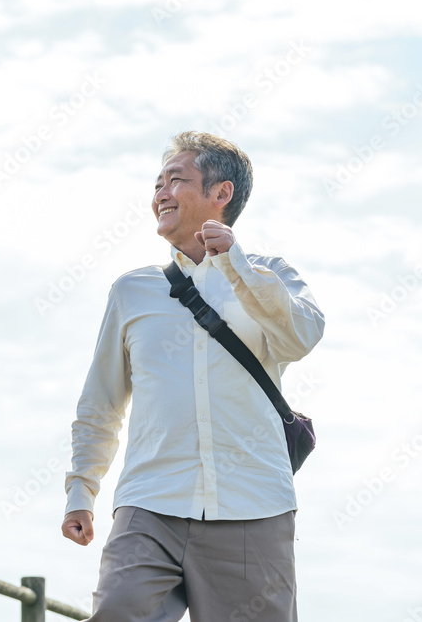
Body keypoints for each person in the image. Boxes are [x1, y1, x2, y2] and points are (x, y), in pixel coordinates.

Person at [61, 132, 325, 622]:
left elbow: (301, 338)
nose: (160, 194)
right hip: (150, 504)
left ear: (221, 193)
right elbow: (101, 403)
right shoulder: (132, 291)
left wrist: (236, 265)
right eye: (157, 184)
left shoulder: (270, 274)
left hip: (253, 507)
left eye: (175, 180)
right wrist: (82, 490)